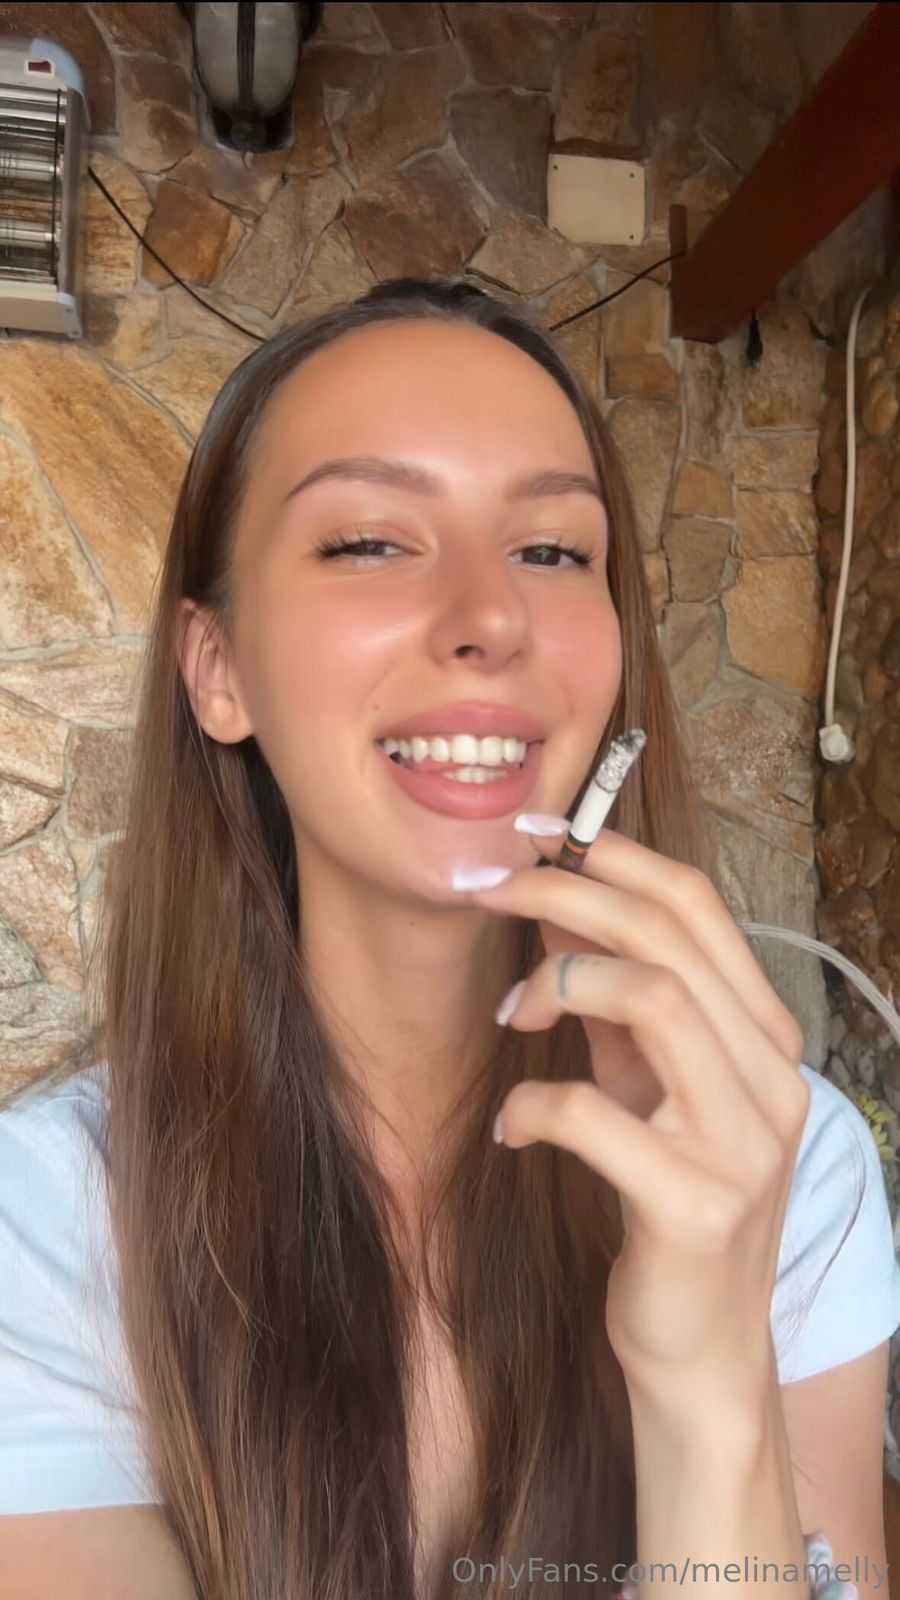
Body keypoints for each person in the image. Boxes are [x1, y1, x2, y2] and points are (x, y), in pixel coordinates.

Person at [1, 276, 899, 1600]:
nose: (491, 616)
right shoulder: (45, 1225)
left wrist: (710, 1380)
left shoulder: (792, 1167)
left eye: (553, 551)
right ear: (218, 669)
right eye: (370, 541)